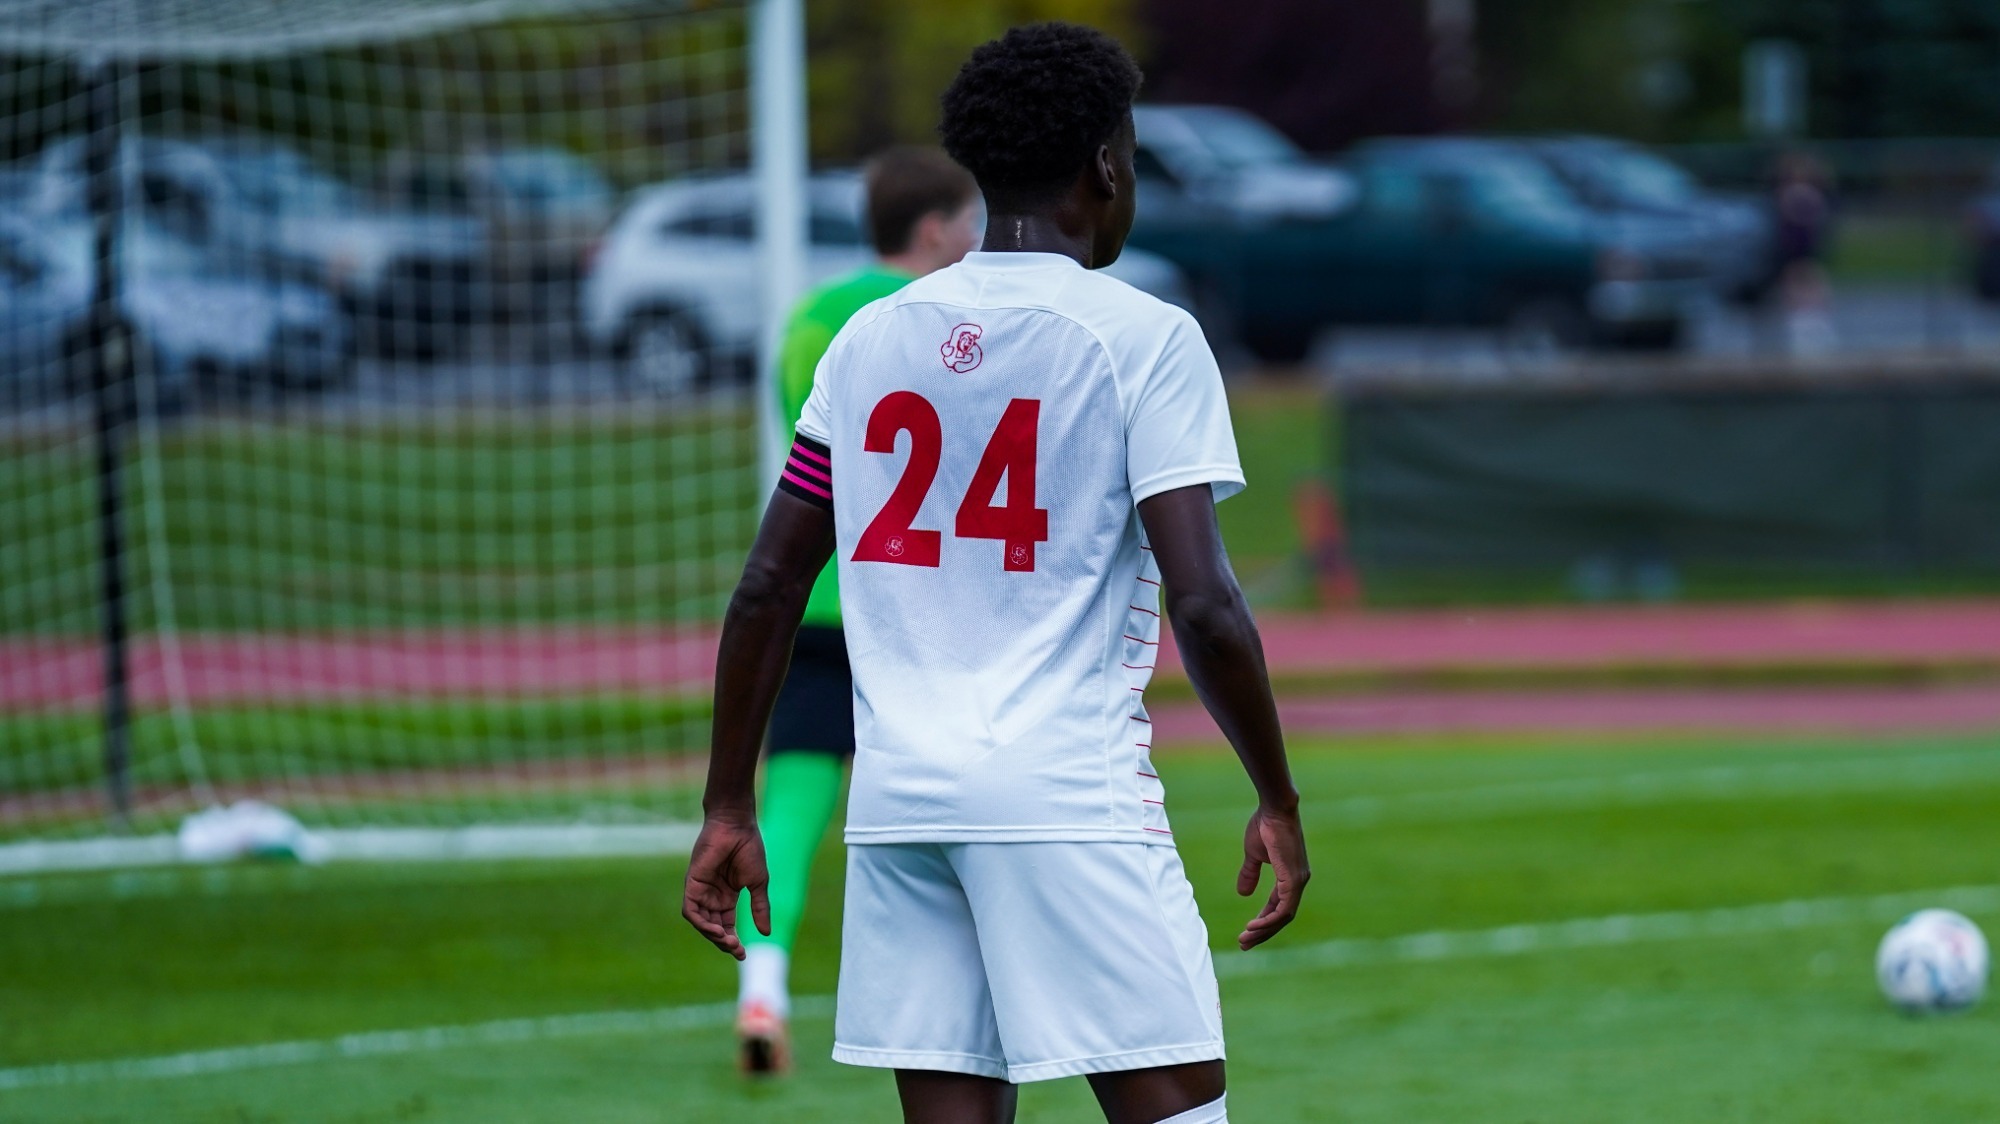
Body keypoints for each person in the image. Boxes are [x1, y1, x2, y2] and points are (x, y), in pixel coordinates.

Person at [684, 23, 1308, 1124]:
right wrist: (1277, 794)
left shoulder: (866, 340)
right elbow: (1204, 602)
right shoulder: (1144, 337)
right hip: (1064, 794)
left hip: (899, 800)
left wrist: (728, 798)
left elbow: (767, 586)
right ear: (1105, 166)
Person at [734, 145, 983, 1073]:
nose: (976, 242)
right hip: (920, 606)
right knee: (944, 816)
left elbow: (803, 452)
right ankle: (962, 1004)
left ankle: (761, 989)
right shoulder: (951, 321)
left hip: (816, 597)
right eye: (967, 224)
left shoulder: (805, 322)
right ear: (932, 229)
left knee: (792, 805)